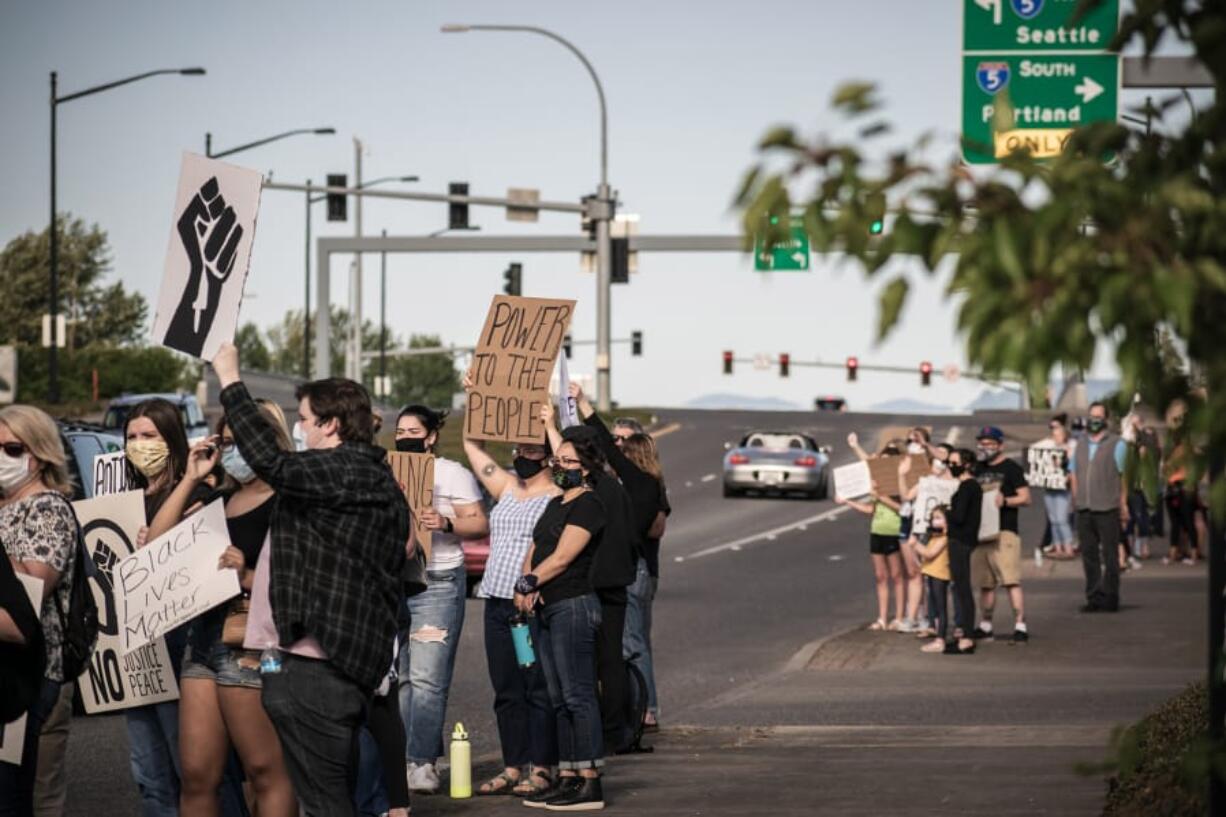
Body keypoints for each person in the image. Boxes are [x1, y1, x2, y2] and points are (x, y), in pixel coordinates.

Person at [212, 342, 410, 817]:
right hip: (320, 660)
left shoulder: (343, 469)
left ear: (330, 424)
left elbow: (272, 463)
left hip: (318, 665)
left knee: (324, 803)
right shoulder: (366, 473)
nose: (298, 427)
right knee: (326, 795)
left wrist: (230, 379)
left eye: (303, 418)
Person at [145, 402, 297, 817]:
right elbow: (156, 544)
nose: (233, 450)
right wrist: (192, 477)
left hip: (251, 641)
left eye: (242, 441)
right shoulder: (219, 497)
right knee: (196, 774)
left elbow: (302, 577)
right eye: (226, 442)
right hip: (204, 642)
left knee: (264, 769)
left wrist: (246, 574)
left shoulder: (288, 500)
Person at [461, 390, 560, 797]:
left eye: (529, 448)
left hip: (529, 606)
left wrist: (551, 426)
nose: (520, 453)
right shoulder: (506, 487)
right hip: (496, 603)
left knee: (535, 684)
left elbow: (577, 469)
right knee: (506, 688)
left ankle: (542, 766)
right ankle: (513, 765)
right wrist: (477, 397)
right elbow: (471, 444)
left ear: (548, 456)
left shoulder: (558, 495)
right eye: (517, 446)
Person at [393, 405, 489, 794]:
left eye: (413, 430)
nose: (405, 437)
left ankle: (422, 762)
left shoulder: (451, 474)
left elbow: (479, 521)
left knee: (427, 679)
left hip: (437, 581)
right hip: (396, 582)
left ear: (430, 436)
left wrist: (445, 522)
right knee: (399, 678)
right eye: (400, 431)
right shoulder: (386, 470)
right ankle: (402, 755)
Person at [515, 429, 609, 811]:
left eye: (570, 463)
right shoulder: (555, 503)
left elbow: (563, 557)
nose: (562, 468)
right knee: (557, 698)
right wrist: (523, 585)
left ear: (586, 469)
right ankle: (568, 776)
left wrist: (532, 579)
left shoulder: (589, 505)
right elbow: (537, 548)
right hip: (547, 606)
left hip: (573, 604)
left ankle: (590, 780)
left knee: (577, 695)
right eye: (559, 461)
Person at [568, 384, 669, 733]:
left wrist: (584, 406)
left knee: (626, 644)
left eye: (626, 448)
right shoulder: (651, 485)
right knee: (630, 643)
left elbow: (608, 450)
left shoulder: (634, 484)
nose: (619, 450)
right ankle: (643, 706)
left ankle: (642, 709)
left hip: (627, 569)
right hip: (636, 568)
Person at [0, 405, 78, 816]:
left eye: (11, 448)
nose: (0, 457)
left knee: (23, 794)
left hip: (33, 672)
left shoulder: (48, 508)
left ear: (40, 453)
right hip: (5, 668)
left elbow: (33, 589)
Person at [971, 427, 1029, 644]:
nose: (985, 447)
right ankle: (986, 625)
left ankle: (1020, 625)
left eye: (990, 443)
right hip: (981, 532)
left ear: (1000, 445)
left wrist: (1006, 501)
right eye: (982, 443)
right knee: (985, 583)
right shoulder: (977, 468)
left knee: (1011, 580)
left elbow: (1026, 498)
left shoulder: (1011, 469)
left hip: (1005, 531)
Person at [1069, 402, 1129, 613]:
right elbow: (1074, 472)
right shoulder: (1080, 443)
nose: (1094, 419)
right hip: (1084, 508)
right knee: (1089, 555)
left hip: (1107, 507)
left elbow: (1123, 477)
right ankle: (1094, 597)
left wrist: (1123, 503)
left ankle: (1111, 597)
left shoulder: (1117, 444)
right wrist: (1076, 498)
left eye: (1098, 416)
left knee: (1110, 556)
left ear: (1106, 419)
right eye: (1091, 415)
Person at [836, 453, 905, 632]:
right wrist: (848, 502)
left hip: (893, 531)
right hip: (877, 531)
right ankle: (881, 618)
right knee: (880, 576)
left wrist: (881, 496)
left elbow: (903, 508)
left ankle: (899, 617)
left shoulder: (897, 484)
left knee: (897, 576)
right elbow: (870, 509)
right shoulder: (876, 483)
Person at [901, 443, 957, 638]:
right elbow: (907, 496)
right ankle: (932, 623)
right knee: (929, 578)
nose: (938, 465)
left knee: (947, 581)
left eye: (942, 461)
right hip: (926, 532)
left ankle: (954, 625)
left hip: (946, 535)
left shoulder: (954, 481)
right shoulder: (926, 482)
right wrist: (901, 475)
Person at [945, 449, 981, 655]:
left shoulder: (968, 487)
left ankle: (967, 637)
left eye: (954, 462)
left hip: (961, 541)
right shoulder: (968, 486)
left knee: (962, 589)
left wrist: (945, 512)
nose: (951, 466)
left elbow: (959, 516)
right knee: (960, 588)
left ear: (966, 464)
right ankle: (964, 633)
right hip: (962, 540)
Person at [913, 506, 952, 654]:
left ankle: (941, 639)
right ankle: (936, 633)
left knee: (941, 607)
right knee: (934, 606)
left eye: (938, 518)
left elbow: (930, 554)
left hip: (940, 574)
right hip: (930, 572)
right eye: (933, 518)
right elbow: (922, 558)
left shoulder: (944, 538)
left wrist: (915, 544)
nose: (934, 521)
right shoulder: (934, 537)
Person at [1039, 415, 1077, 560]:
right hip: (1050, 487)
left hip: (1063, 488)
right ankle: (1058, 547)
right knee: (1053, 519)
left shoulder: (1071, 446)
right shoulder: (1048, 445)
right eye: (1053, 429)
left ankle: (1068, 547)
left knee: (1062, 519)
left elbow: (1072, 469)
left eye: (1057, 429)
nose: (1054, 433)